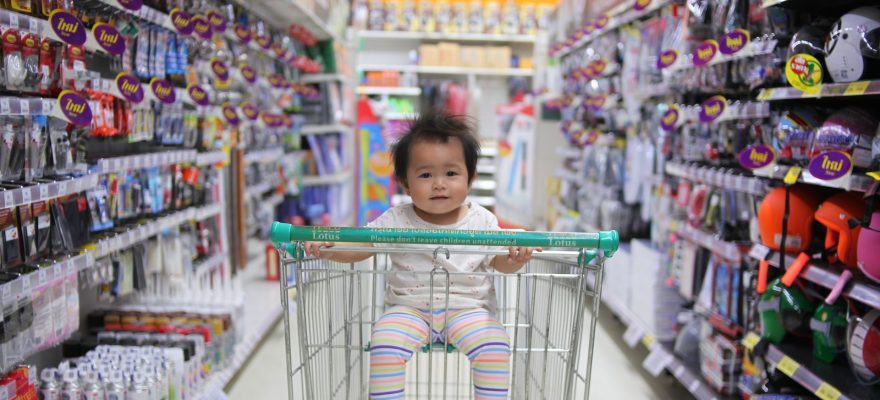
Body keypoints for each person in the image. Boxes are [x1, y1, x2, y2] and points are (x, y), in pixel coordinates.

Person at [305, 110, 540, 399]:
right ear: (405, 183)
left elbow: (499, 262)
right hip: (408, 309)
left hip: (469, 309)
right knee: (384, 343)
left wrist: (514, 259)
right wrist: (332, 249)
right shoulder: (396, 219)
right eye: (426, 174)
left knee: (494, 346)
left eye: (451, 173)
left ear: (471, 178)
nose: (439, 183)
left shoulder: (482, 221)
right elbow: (363, 246)